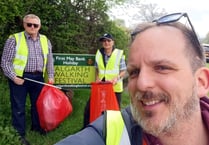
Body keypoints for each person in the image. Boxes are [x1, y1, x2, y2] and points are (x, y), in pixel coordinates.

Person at [55, 12, 209, 145]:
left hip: (114, 88)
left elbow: (121, 71)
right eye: (135, 72)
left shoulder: (117, 55)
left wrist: (116, 79)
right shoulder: (111, 132)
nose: (141, 84)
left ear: (201, 82)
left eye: (162, 68)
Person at [1, 14, 54, 145]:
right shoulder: (14, 39)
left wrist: (51, 75)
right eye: (29, 24)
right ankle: (20, 135)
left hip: (38, 77)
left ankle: (37, 127)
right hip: (20, 78)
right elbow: (5, 62)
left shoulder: (45, 40)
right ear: (24, 25)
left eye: (35, 25)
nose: (32, 27)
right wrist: (13, 77)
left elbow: (50, 60)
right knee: (19, 106)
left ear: (39, 26)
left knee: (38, 105)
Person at [83, 33, 127, 127]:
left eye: (108, 40)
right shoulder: (98, 54)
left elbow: (124, 71)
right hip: (101, 87)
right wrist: (97, 78)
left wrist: (117, 78)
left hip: (114, 88)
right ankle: (86, 128)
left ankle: (115, 130)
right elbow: (97, 69)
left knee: (114, 111)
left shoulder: (119, 54)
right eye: (104, 41)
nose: (106, 43)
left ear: (112, 42)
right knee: (89, 108)